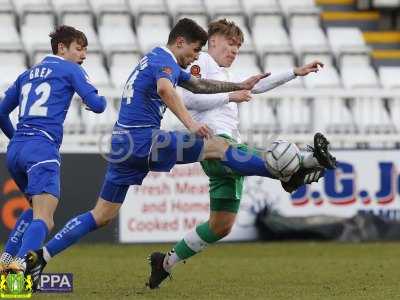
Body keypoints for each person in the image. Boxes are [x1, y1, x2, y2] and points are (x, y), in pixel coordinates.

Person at [25, 18, 334, 290]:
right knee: (218, 147)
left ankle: (41, 257)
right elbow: (166, 89)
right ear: (180, 42)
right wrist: (191, 123)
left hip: (122, 145)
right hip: (144, 139)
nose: (194, 58)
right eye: (194, 51)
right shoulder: (164, 58)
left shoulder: (161, 61)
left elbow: (198, 85)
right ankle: (290, 171)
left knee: (101, 215)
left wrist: (239, 84)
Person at [146, 18, 337, 289]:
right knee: (276, 159)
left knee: (221, 226)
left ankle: (164, 263)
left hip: (229, 153)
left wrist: (295, 72)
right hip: (215, 145)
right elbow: (187, 98)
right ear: (212, 41)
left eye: (238, 47)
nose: (234, 50)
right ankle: (305, 162)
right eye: (230, 44)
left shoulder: (223, 75)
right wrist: (230, 96)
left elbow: (254, 86)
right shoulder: (203, 63)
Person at [0, 25, 107, 275]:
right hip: (42, 149)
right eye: (79, 48)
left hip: (16, 151)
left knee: (33, 210)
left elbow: (1, 112)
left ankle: (6, 262)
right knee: (44, 219)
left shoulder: (26, 74)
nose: (83, 55)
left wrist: (19, 138)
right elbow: (99, 105)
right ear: (62, 48)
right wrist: (94, 101)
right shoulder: (70, 69)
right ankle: (19, 274)